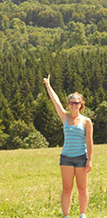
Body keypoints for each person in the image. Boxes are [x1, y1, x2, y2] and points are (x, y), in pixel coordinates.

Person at [43, 74, 93, 218]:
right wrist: (48, 85)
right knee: (67, 188)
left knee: (82, 188)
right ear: (68, 104)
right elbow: (55, 101)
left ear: (81, 105)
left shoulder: (86, 121)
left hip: (81, 158)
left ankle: (82, 215)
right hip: (66, 158)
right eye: (71, 103)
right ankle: (66, 216)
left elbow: (89, 142)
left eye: (76, 103)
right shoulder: (65, 117)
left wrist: (90, 160)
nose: (73, 105)